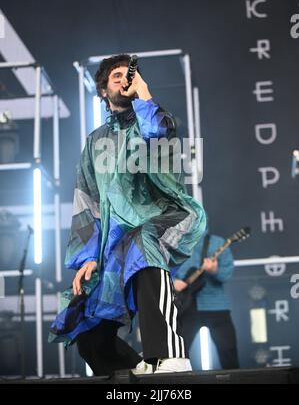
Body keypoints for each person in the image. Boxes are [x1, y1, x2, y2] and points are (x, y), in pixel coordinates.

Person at [49, 54, 206, 375]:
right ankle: (138, 372)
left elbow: (159, 138)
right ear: (103, 91)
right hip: (115, 241)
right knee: (88, 327)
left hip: (165, 217)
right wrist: (88, 257)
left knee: (143, 242)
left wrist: (145, 96)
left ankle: (169, 355)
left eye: (129, 76)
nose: (124, 80)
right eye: (116, 76)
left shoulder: (155, 119)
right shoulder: (95, 143)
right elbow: (87, 202)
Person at [173, 225, 239, 370]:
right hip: (186, 307)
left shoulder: (218, 243)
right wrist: (173, 282)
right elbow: (164, 269)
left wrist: (215, 270)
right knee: (178, 355)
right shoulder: (175, 243)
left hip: (216, 305)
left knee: (228, 352)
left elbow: (226, 275)